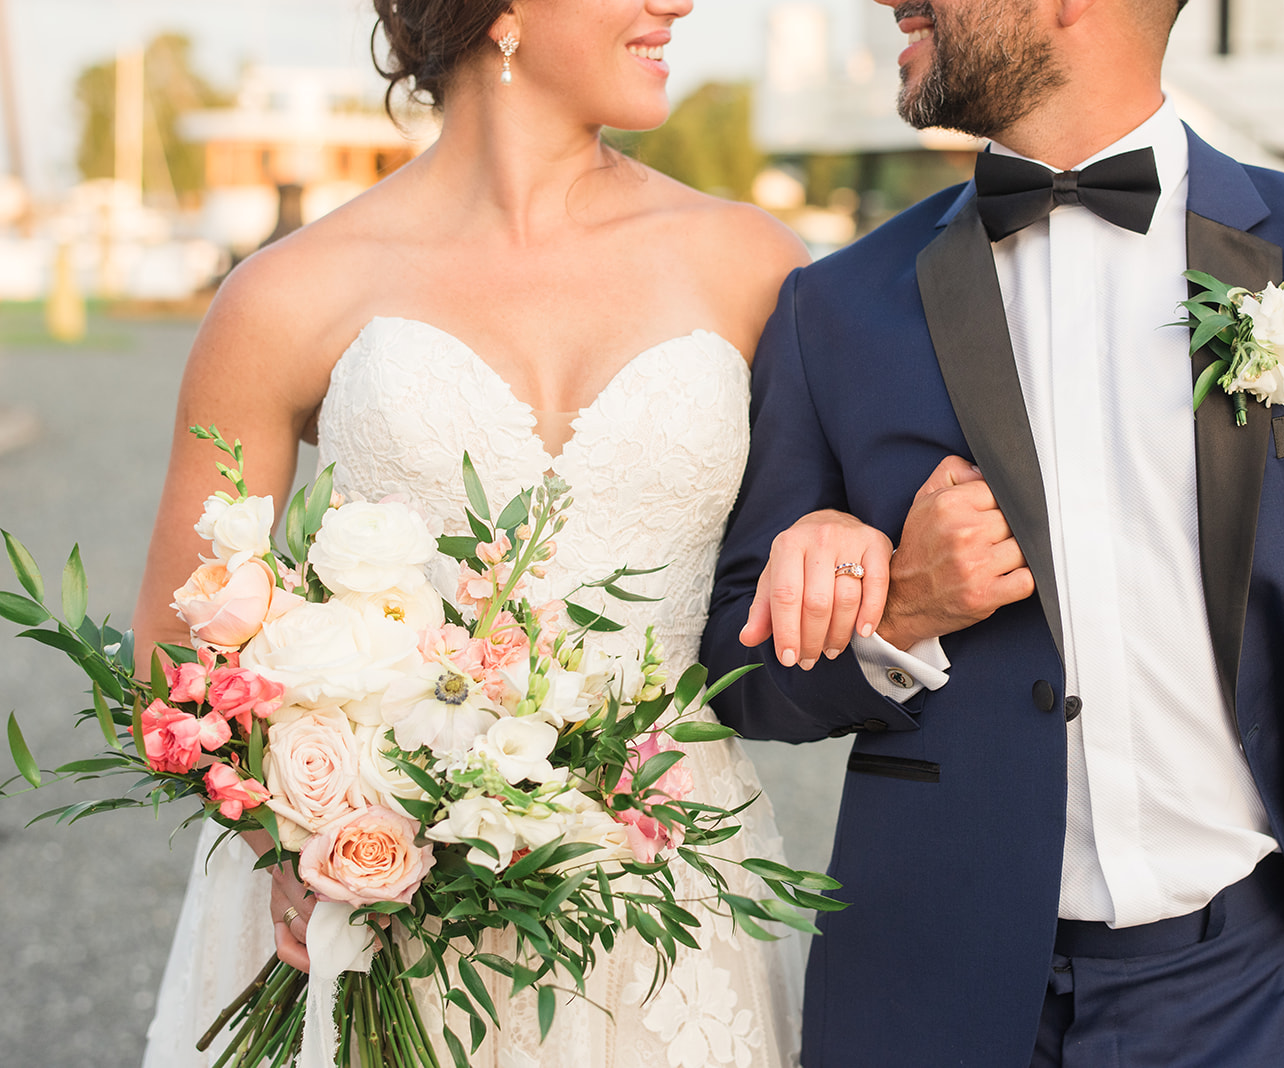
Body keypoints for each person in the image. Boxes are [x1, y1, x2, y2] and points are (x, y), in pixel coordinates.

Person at [701, 0, 1284, 1065]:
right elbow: (738, 673)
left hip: (1265, 994)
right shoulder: (834, 309)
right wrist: (902, 609)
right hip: (930, 1002)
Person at [131, 1, 811, 1065]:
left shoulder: (753, 265)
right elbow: (175, 660)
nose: (677, 3)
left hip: (661, 909)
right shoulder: (287, 292)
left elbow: (839, 530)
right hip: (368, 924)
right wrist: (305, 839)